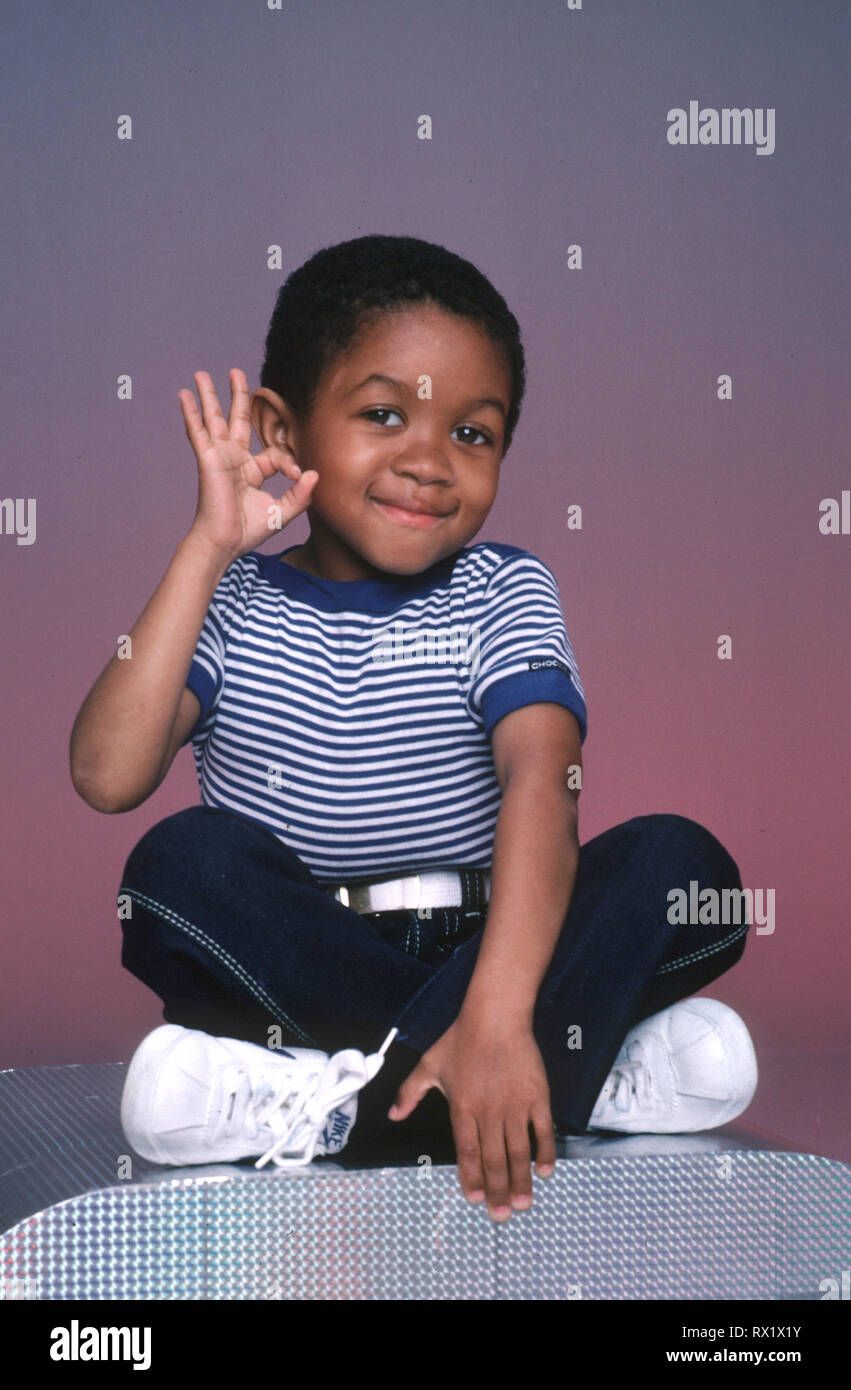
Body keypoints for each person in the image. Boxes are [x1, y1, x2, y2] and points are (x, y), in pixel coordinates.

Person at [69, 234, 757, 1225]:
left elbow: (540, 782)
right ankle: (556, 1071)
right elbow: (106, 771)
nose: (430, 461)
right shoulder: (231, 602)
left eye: (473, 434)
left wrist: (493, 1007)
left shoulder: (500, 588)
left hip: (497, 948)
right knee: (178, 867)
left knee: (679, 864)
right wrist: (204, 546)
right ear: (283, 426)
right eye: (382, 414)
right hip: (303, 961)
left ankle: (359, 1099)